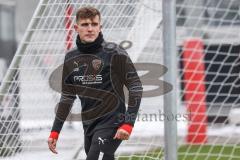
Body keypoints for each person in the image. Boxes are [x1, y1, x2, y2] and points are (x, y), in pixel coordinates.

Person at [48, 6, 142, 160]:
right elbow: (67, 97)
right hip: (89, 125)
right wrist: (55, 131)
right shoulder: (71, 58)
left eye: (94, 24)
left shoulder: (114, 52)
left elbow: (135, 87)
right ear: (76, 28)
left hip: (113, 121)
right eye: (85, 25)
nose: (90, 29)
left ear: (100, 27)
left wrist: (128, 123)